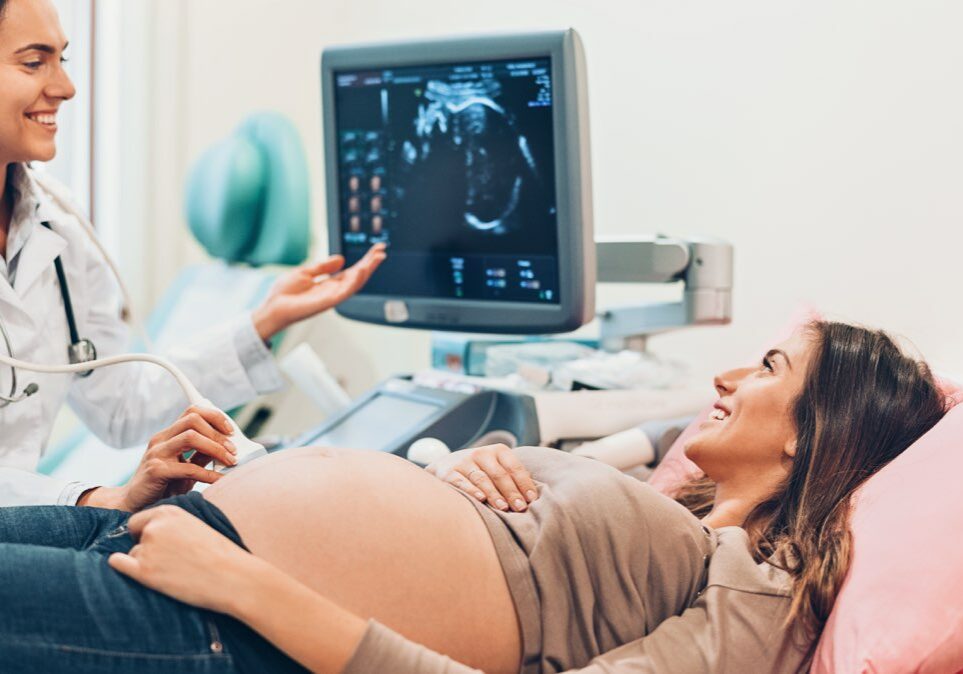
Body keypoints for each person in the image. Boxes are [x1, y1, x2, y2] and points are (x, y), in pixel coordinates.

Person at [0, 320, 948, 673]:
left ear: (810, 430)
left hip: (221, 619)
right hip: (166, 533)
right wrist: (461, 469)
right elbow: (522, 503)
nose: (733, 370)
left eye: (771, 366)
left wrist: (244, 587)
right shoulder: (684, 520)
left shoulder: (760, 593)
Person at [0, 0, 386, 509]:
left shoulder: (59, 225)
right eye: (34, 62)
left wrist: (265, 322)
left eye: (62, 60)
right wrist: (97, 499)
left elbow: (121, 406)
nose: (65, 87)